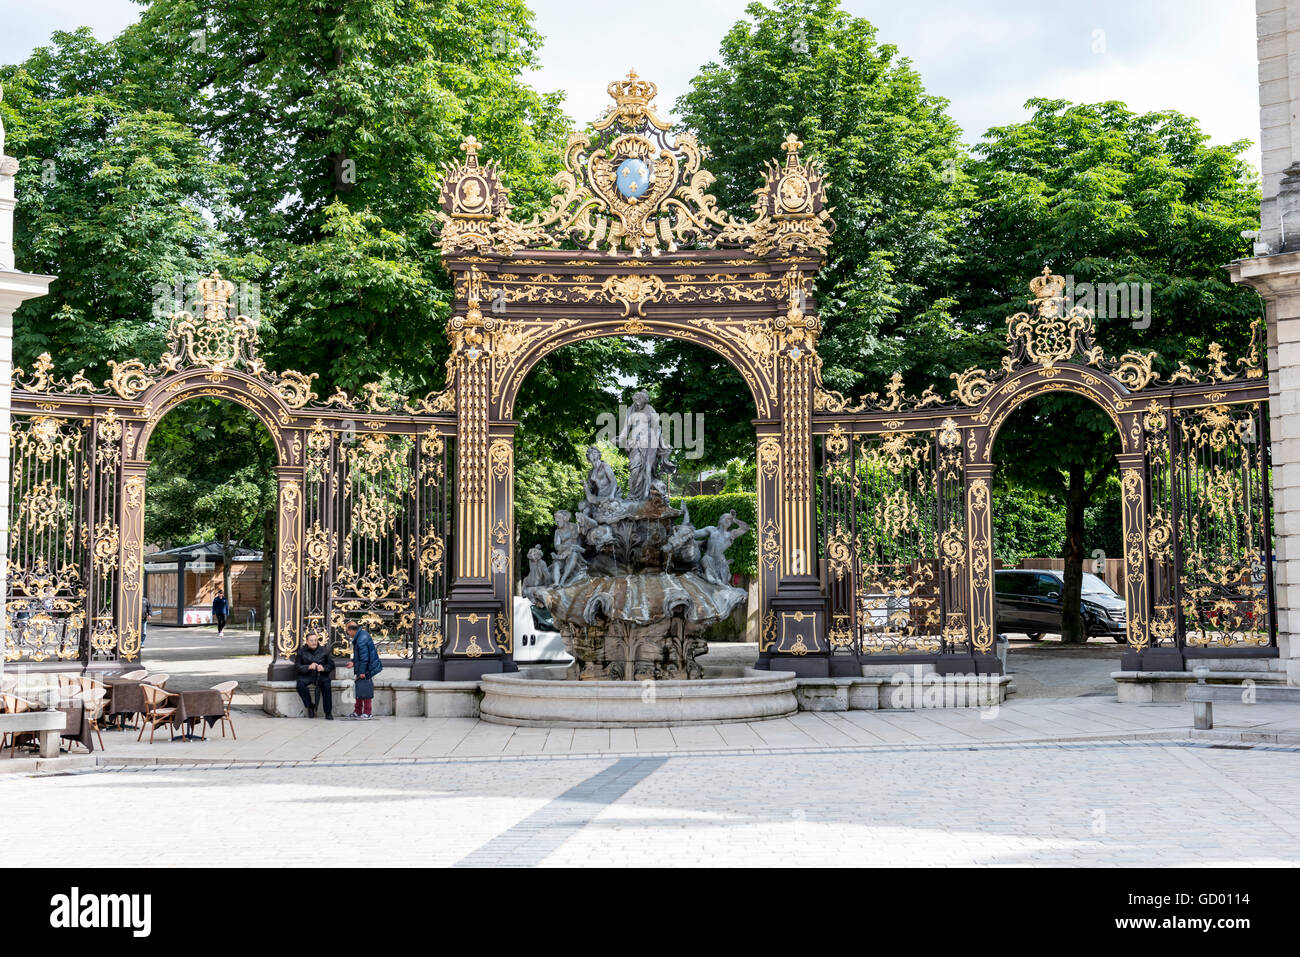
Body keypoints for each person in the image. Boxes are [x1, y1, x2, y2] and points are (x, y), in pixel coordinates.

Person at [343, 622, 382, 720]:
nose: (347, 633)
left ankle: (368, 712)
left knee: (365, 690)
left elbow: (364, 658)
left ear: (351, 630)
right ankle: (358, 711)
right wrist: (353, 662)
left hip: (366, 668)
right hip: (364, 667)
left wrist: (362, 672)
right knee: (360, 688)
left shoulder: (361, 639)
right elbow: (360, 656)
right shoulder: (360, 635)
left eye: (347, 631)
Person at [294, 632, 334, 719]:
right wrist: (308, 667)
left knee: (327, 685)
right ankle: (310, 706)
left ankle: (328, 712)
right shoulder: (301, 652)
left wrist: (323, 668)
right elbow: (297, 666)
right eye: (311, 640)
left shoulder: (325, 651)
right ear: (307, 641)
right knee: (300, 685)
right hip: (307, 676)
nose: (314, 642)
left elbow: (331, 665)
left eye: (315, 640)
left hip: (321, 675)